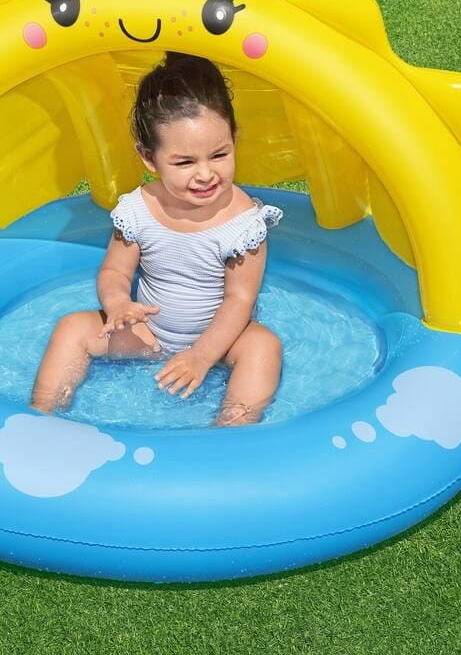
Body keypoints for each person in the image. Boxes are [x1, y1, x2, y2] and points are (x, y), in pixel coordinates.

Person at [29, 52, 284, 426]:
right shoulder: (139, 210)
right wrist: (118, 304)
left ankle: (231, 430)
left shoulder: (242, 223)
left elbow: (239, 300)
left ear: (234, 139)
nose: (205, 174)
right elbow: (115, 271)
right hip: (149, 333)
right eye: (184, 162)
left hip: (222, 338)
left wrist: (202, 355)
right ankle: (42, 413)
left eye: (219, 155)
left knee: (263, 347)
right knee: (73, 328)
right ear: (149, 158)